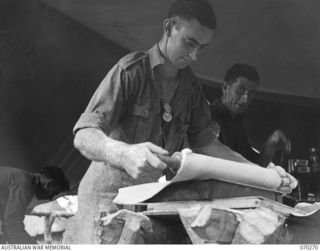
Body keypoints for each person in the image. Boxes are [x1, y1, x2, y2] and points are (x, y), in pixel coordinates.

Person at [63, 0, 294, 244]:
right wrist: (123, 154)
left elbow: (210, 147)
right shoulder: (131, 71)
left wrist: (261, 173)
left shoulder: (192, 88)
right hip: (103, 200)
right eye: (189, 42)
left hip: (143, 203)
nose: (194, 55)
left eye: (202, 47)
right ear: (168, 27)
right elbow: (84, 134)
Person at [210, 63, 291, 167]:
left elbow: (255, 165)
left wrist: (270, 146)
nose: (245, 98)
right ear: (225, 87)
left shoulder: (236, 122)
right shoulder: (206, 115)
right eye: (240, 90)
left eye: (251, 93)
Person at [0, 166, 70, 244]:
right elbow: (12, 225)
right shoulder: (25, 183)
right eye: (53, 193)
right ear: (50, 184)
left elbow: (7, 227)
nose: (50, 198)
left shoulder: (21, 178)